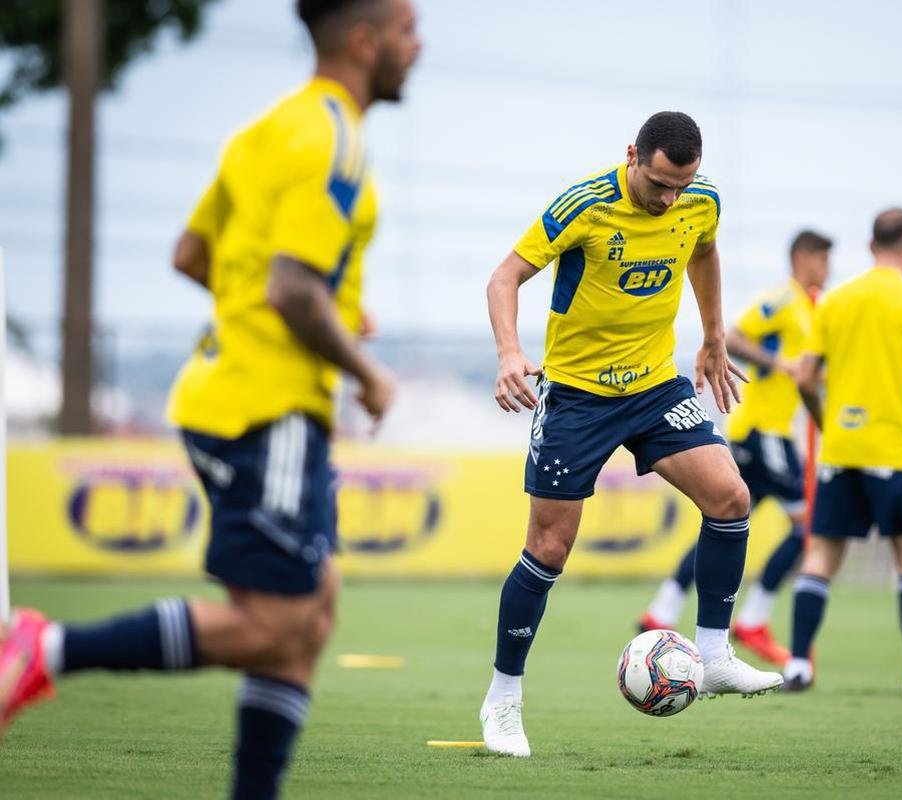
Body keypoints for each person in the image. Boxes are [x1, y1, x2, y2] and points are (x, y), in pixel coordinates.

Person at [0, 2, 421, 796]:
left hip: (225, 391)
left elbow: (194, 255)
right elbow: (292, 290)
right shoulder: (335, 136)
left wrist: (322, 308)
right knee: (276, 625)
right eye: (407, 31)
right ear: (365, 42)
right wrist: (364, 368)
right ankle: (43, 648)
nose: (418, 46)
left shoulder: (264, 131)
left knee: (311, 612)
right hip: (267, 408)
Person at [481, 111, 784, 757]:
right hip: (577, 399)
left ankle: (713, 654)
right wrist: (510, 353)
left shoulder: (700, 202)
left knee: (729, 499)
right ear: (632, 157)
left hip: (652, 387)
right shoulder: (583, 205)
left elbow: (703, 252)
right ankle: (503, 699)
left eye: (681, 185)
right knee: (549, 547)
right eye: (658, 184)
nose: (669, 198)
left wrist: (711, 337)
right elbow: (503, 277)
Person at [783, 207, 902, 697]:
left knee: (820, 557)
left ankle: (799, 665)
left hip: (840, 451)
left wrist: (826, 425)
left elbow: (804, 377)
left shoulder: (836, 300)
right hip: (895, 450)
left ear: (870, 246)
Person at [639, 230, 833, 665]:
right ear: (803, 258)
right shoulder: (782, 300)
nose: (827, 269)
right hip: (763, 432)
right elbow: (737, 337)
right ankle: (753, 621)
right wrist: (779, 364)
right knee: (810, 525)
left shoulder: (811, 307)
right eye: (823, 260)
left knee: (724, 521)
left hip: (770, 433)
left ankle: (660, 611)